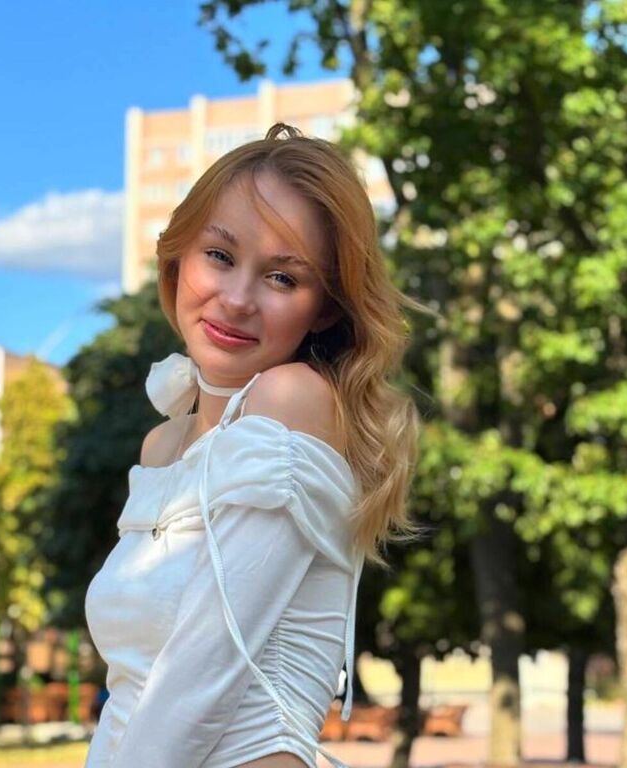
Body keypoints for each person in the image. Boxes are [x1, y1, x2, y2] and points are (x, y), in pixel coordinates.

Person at [84, 123, 423, 768]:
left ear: (326, 308)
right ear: (178, 256)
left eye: (283, 278)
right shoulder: (163, 444)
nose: (237, 299)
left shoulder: (293, 400)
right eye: (219, 255)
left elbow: (200, 674)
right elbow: (133, 694)